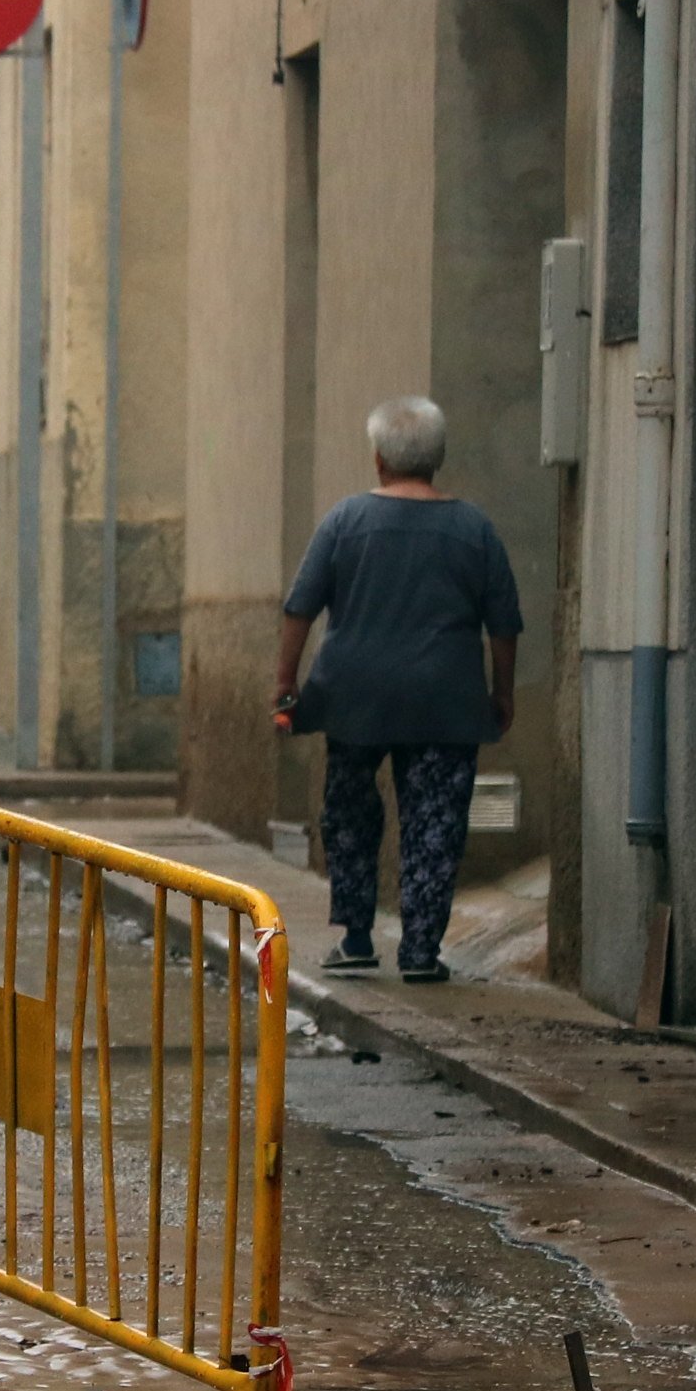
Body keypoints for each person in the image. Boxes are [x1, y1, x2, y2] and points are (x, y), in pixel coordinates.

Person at [275, 395, 521, 985]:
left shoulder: (345, 521)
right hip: (447, 698)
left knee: (350, 812)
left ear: (380, 460)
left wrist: (286, 685)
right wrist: (501, 693)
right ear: (436, 459)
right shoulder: (474, 528)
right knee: (435, 821)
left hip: (354, 696)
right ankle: (419, 950)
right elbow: (504, 624)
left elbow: (300, 608)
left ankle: (358, 937)